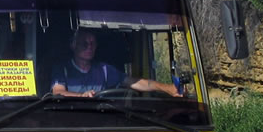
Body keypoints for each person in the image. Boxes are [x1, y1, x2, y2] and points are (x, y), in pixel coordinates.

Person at [50, 28, 181, 98]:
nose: (89, 47)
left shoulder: (104, 70)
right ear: (73, 45)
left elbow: (137, 82)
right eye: (84, 43)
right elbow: (58, 92)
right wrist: (82, 96)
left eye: (92, 43)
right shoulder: (62, 69)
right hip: (70, 121)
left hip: (102, 121)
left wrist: (167, 88)